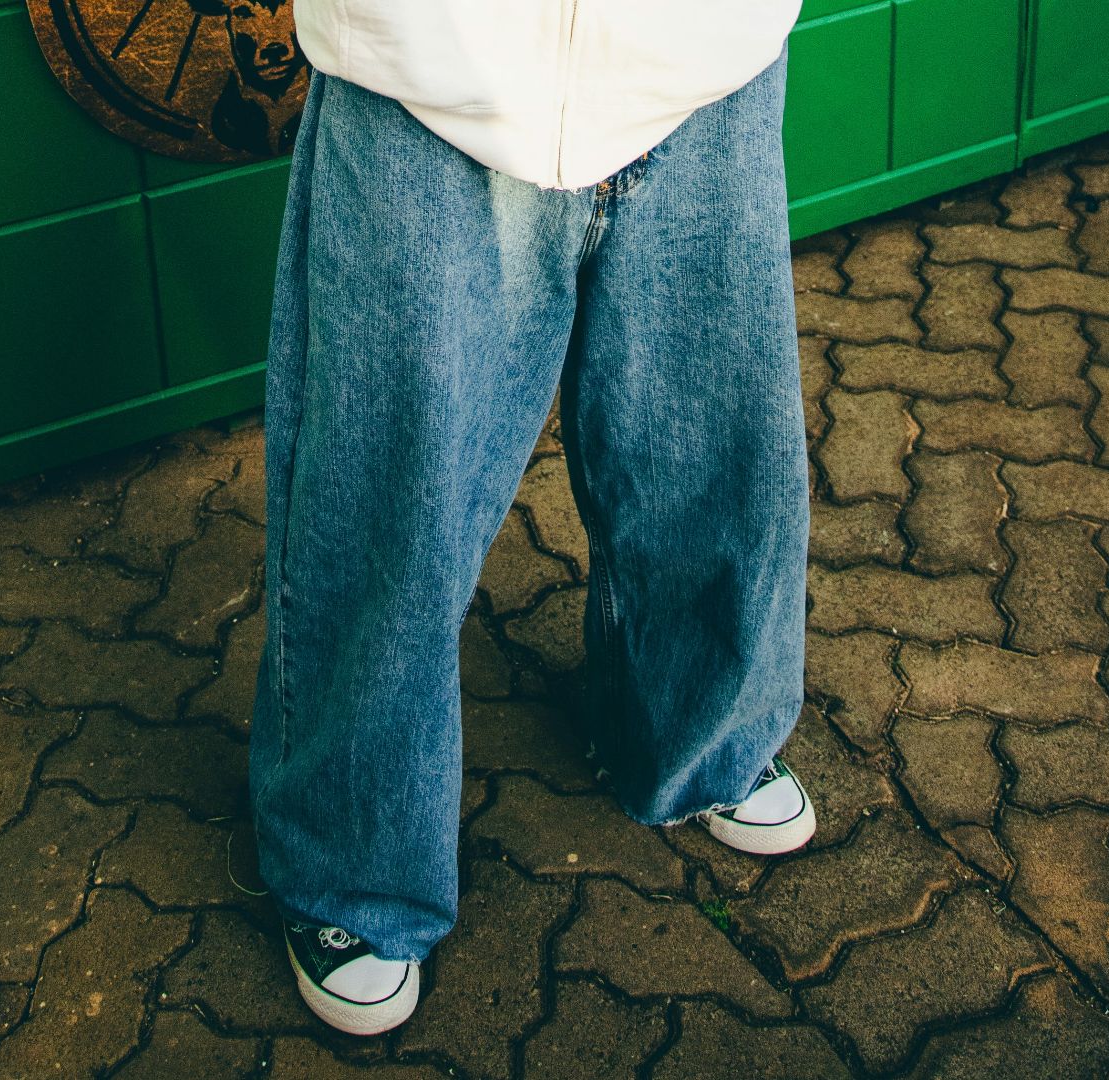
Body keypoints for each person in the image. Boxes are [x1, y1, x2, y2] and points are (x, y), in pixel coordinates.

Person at [248, 0, 815, 1035]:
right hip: (433, 70)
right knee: (391, 487)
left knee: (706, 435)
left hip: (701, 57)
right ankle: (353, 862)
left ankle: (705, 735)